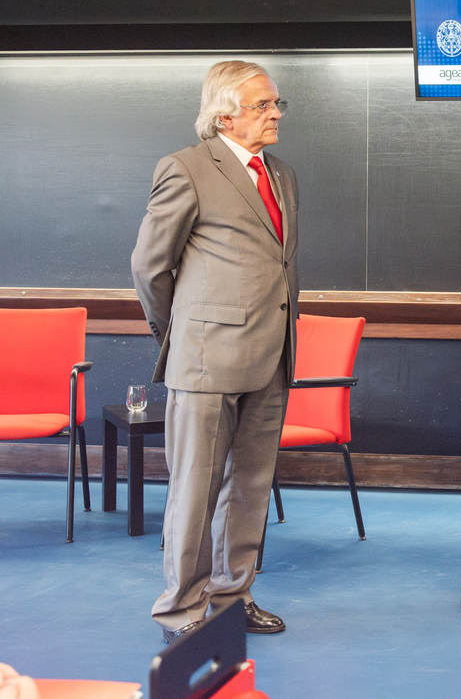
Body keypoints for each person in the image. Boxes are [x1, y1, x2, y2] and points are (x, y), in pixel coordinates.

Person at [131, 60, 298, 644]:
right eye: (264, 106)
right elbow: (150, 267)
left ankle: (232, 597)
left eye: (277, 105)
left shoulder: (281, 174)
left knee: (249, 487)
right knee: (195, 491)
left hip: (271, 356)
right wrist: (176, 336)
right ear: (224, 112)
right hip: (204, 358)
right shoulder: (185, 169)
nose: (275, 114)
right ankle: (182, 610)